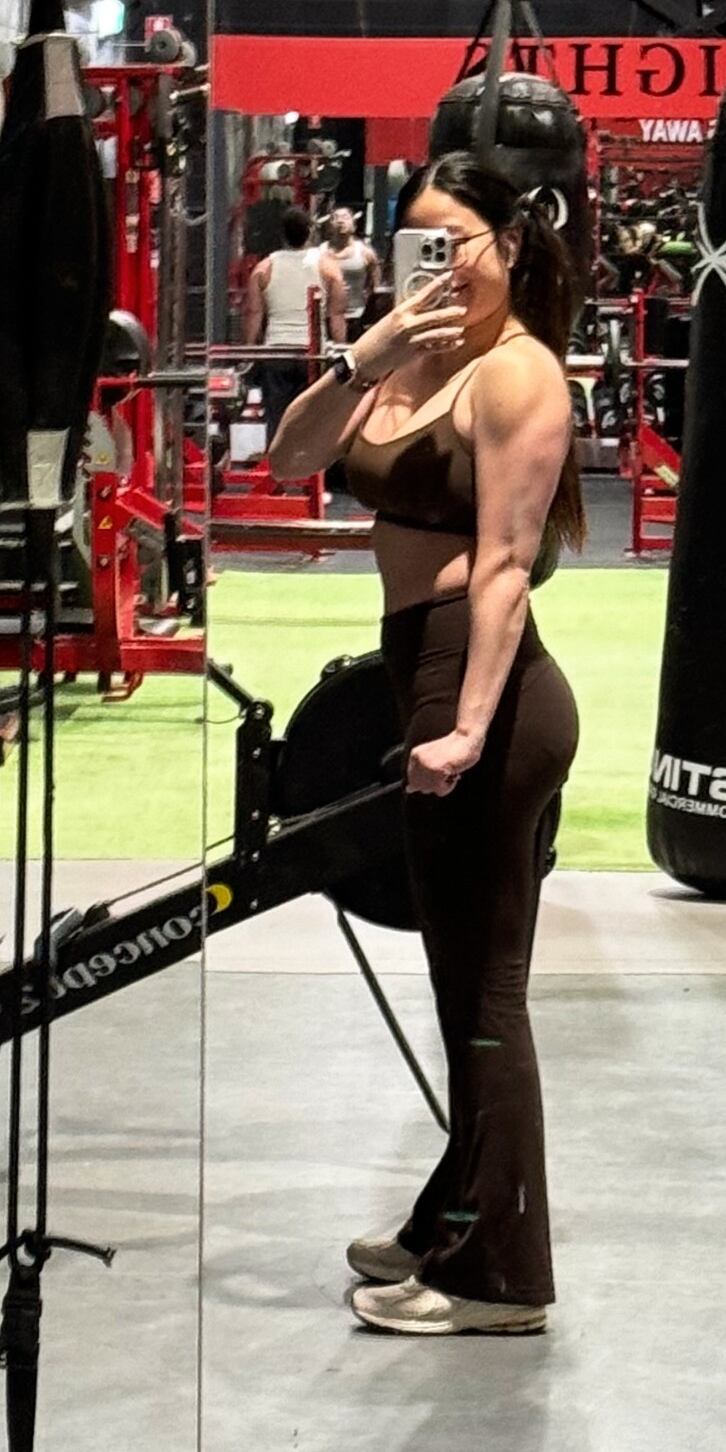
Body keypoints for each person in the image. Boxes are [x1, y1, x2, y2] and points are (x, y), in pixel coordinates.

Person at [270, 152, 584, 1337]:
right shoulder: (408, 358)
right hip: (423, 669)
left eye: (460, 243)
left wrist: (464, 729)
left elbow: (505, 566)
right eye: (423, 244)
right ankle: (452, 1216)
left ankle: (502, 1280)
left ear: (513, 244)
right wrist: (370, 351)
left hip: (482, 687)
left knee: (485, 994)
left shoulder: (519, 374)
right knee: (464, 990)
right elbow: (291, 457)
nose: (442, 266)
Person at [242, 205, 347, 443]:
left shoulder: (264, 268)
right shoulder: (328, 267)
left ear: (282, 234)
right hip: (312, 355)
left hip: (276, 353)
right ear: (310, 232)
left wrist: (247, 354)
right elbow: (336, 315)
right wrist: (341, 349)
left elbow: (254, 314)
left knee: (278, 420)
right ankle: (310, 462)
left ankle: (279, 460)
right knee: (312, 418)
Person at [327, 205, 382, 343]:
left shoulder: (365, 252)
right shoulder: (321, 253)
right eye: (336, 218)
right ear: (330, 225)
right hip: (329, 318)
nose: (341, 221)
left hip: (357, 317)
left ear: (354, 224)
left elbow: (375, 284)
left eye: (345, 217)